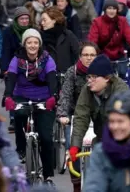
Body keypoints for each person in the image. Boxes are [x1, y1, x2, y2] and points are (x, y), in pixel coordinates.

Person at [4, 28, 58, 185]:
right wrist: (8, 96)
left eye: (35, 42)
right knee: (19, 115)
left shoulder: (47, 59)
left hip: (44, 97)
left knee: (46, 138)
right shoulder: (17, 59)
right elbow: (11, 78)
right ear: (24, 44)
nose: (33, 45)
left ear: (39, 44)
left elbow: (52, 80)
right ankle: (21, 147)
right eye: (29, 42)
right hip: (22, 95)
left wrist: (53, 97)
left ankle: (47, 175)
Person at [69, 54, 130, 161]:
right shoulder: (87, 90)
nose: (89, 80)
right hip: (101, 138)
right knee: (77, 160)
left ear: (106, 78)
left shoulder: (121, 91)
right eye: (88, 76)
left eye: (94, 77)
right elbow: (81, 117)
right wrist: (75, 145)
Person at [56, 42, 99, 191]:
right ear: (80, 57)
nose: (89, 58)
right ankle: (76, 184)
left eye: (92, 55)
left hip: (98, 116)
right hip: (75, 116)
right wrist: (62, 114)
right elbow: (66, 95)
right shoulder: (72, 72)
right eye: (85, 55)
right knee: (72, 147)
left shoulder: (104, 72)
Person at [88, 0, 130, 79]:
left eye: (114, 8)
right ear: (105, 9)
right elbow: (93, 41)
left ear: (117, 10)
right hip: (103, 55)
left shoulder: (122, 21)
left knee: (124, 77)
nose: (111, 11)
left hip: (119, 55)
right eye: (109, 8)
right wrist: (92, 55)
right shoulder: (97, 22)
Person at [0, 7, 33, 131]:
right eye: (22, 19)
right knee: (13, 92)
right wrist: (5, 69)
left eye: (26, 18)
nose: (24, 21)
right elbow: (6, 51)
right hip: (13, 64)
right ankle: (13, 117)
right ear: (16, 20)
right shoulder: (9, 32)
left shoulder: (33, 31)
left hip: (29, 64)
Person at [40, 7, 79, 75]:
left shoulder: (67, 34)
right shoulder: (40, 37)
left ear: (54, 20)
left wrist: (73, 72)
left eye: (44, 20)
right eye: (41, 20)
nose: (42, 23)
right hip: (48, 76)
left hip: (67, 76)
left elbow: (78, 53)